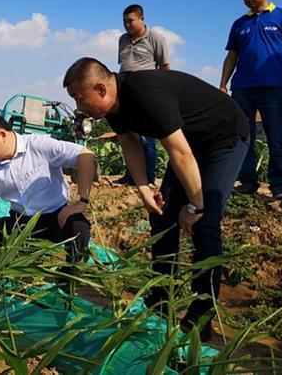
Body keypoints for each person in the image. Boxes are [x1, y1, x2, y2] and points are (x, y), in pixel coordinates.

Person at [63, 57, 249, 341]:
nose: (78, 106)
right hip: (191, 144)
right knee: (162, 213)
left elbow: (180, 154)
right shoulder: (114, 108)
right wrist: (143, 188)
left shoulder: (146, 95)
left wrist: (195, 206)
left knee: (206, 222)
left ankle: (202, 315)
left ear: (100, 89)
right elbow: (130, 145)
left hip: (224, 137)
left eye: (79, 97)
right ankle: (163, 297)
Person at [220, 0, 282, 200]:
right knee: (243, 136)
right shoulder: (239, 24)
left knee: (276, 137)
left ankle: (279, 186)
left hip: (273, 89)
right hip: (242, 89)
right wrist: (222, 84)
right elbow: (231, 56)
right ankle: (248, 182)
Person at [0, 114, 95, 267]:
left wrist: (82, 201)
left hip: (55, 217)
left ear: (2, 135)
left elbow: (85, 155)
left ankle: (69, 277)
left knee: (79, 227)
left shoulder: (38, 145)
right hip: (21, 222)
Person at [116, 4, 171, 186]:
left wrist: (162, 93)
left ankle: (147, 178)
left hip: (146, 93)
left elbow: (165, 68)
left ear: (142, 19)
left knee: (147, 138)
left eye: (130, 21)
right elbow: (124, 65)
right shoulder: (123, 39)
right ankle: (131, 175)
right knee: (128, 137)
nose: (127, 25)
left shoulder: (156, 38)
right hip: (125, 92)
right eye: (124, 21)